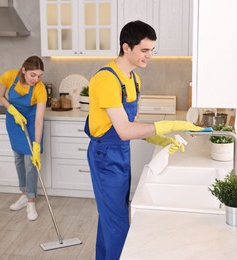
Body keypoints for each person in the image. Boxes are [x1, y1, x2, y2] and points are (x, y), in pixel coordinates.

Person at [84, 20, 203, 260]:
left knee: (112, 215)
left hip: (121, 151)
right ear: (126, 48)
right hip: (105, 155)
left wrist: (160, 139)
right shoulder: (106, 79)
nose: (149, 56)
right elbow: (125, 131)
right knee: (117, 223)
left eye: (152, 50)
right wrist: (168, 126)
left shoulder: (133, 80)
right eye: (144, 50)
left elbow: (132, 126)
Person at [0, 56, 47, 221]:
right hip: (14, 121)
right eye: (33, 75)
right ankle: (24, 194)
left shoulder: (40, 89)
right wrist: (13, 111)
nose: (36, 79)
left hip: (32, 122)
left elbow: (39, 120)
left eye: (39, 76)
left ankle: (31, 201)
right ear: (24, 70)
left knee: (30, 162)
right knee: (18, 159)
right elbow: (0, 96)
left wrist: (37, 146)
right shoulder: (9, 77)